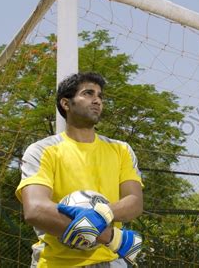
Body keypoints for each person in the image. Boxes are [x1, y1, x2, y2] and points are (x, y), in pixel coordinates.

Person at [15, 72, 143, 267]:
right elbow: (35, 209)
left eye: (100, 96)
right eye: (89, 93)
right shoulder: (41, 150)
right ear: (66, 104)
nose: (97, 101)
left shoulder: (121, 150)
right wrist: (111, 237)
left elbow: (134, 202)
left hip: (110, 261)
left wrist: (103, 213)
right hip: (56, 262)